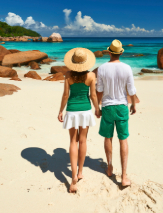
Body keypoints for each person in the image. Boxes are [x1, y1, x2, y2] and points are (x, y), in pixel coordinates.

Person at [58, 48, 100, 193]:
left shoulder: (68, 75)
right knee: (82, 140)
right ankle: (80, 172)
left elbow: (65, 95)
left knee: (72, 141)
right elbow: (93, 95)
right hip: (85, 110)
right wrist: (97, 109)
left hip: (72, 110)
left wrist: (60, 111)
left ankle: (73, 175)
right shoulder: (91, 75)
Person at [97, 39, 137, 187]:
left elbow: (99, 90)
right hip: (121, 107)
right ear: (120, 53)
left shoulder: (102, 68)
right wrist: (133, 104)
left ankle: (109, 167)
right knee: (123, 139)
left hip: (107, 106)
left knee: (108, 137)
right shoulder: (127, 68)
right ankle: (124, 176)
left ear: (109, 52)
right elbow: (131, 89)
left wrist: (97, 107)